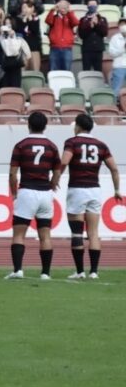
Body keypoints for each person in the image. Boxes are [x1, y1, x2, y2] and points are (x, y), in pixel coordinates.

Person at [61, 114, 121, 280]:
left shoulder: (72, 142)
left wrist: (55, 179)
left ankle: (80, 271)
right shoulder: (101, 145)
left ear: (78, 126)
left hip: (77, 189)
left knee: (77, 233)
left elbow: (64, 161)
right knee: (93, 232)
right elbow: (114, 169)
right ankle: (94, 271)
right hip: (95, 189)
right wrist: (117, 189)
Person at [7, 112, 62, 280]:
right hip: (45, 193)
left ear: (28, 125)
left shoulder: (21, 145)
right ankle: (45, 273)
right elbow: (57, 171)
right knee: (45, 235)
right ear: (45, 126)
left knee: (18, 235)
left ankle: (18, 270)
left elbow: (12, 173)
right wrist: (52, 185)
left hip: (27, 191)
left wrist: (14, 191)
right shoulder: (52, 146)